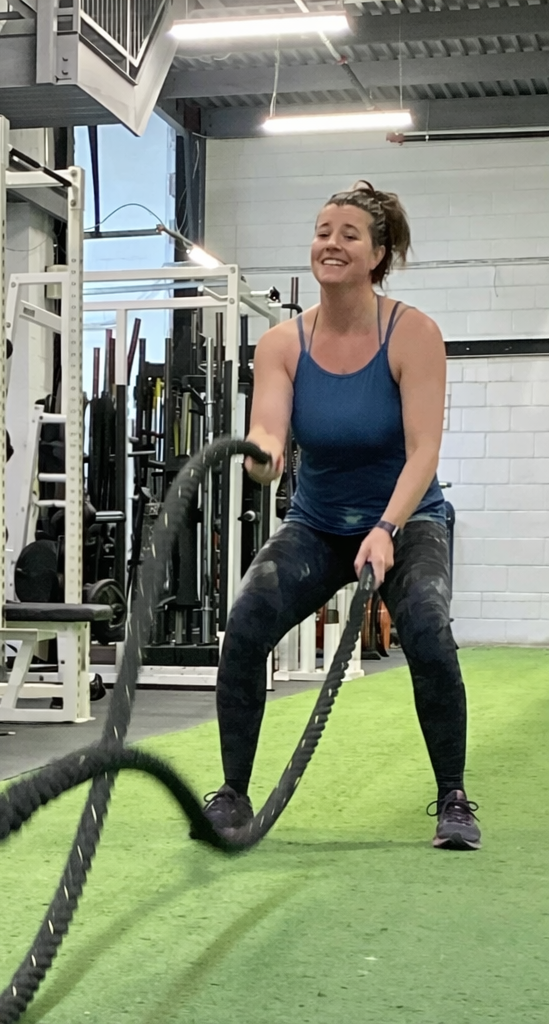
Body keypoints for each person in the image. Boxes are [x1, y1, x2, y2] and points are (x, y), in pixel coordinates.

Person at [203, 181, 479, 851]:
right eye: (324, 230)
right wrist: (260, 458)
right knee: (244, 625)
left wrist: (386, 529)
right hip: (321, 524)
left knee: (426, 629)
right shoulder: (282, 345)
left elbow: (424, 452)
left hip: (408, 519)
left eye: (349, 234)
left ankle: (453, 797)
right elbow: (269, 434)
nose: (332, 243)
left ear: (379, 254)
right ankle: (233, 794)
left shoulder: (413, 333)